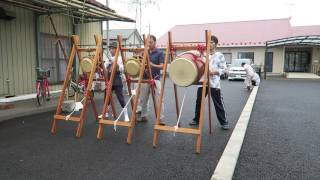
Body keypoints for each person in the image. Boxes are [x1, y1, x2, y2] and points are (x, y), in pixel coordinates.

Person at [189, 35, 229, 130]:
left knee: (218, 102)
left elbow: (224, 69)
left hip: (214, 82)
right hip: (203, 82)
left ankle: (224, 122)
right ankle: (196, 119)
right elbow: (195, 59)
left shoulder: (220, 55)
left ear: (216, 44)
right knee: (199, 102)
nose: (210, 44)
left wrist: (214, 71)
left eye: (212, 42)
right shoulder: (203, 54)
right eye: (208, 42)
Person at [100, 42, 129, 121]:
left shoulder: (120, 58)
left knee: (120, 97)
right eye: (110, 48)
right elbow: (105, 68)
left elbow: (122, 69)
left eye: (112, 48)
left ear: (117, 50)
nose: (110, 50)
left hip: (117, 78)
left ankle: (126, 115)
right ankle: (105, 113)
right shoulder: (108, 59)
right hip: (109, 79)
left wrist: (116, 64)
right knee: (106, 96)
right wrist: (102, 67)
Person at [139, 35, 165, 123]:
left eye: (151, 42)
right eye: (148, 42)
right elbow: (140, 63)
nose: (149, 44)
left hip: (156, 78)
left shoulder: (160, 53)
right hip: (145, 78)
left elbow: (162, 66)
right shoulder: (144, 53)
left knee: (159, 99)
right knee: (143, 98)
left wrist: (152, 65)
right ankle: (143, 116)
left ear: (155, 42)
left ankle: (160, 118)